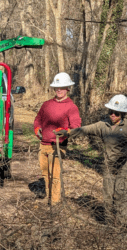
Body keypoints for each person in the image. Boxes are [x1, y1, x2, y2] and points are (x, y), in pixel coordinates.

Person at [55, 94, 127, 226]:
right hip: (109, 166)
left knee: (120, 195)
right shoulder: (103, 125)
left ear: (123, 114)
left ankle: (122, 227)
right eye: (111, 112)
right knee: (108, 197)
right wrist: (68, 133)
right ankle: (109, 225)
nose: (113, 115)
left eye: (116, 113)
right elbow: (85, 129)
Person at [33, 72, 81, 205]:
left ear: (68, 89)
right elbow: (38, 119)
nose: (59, 90)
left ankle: (54, 202)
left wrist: (65, 132)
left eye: (62, 87)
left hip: (58, 146)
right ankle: (49, 197)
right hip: (43, 145)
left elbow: (76, 126)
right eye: (57, 87)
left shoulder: (71, 107)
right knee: (45, 174)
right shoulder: (46, 104)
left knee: (55, 176)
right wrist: (37, 129)